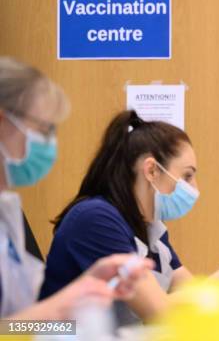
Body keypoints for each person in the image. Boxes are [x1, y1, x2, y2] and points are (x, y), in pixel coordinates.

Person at [40, 110, 219, 325]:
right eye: (187, 176)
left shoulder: (150, 231)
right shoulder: (96, 219)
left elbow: (193, 298)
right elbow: (160, 312)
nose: (195, 188)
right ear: (151, 170)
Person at [0, 57, 152, 319]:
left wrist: (84, 292)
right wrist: (61, 307)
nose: (49, 143)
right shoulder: (95, 216)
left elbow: (14, 329)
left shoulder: (7, 214)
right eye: (43, 129)